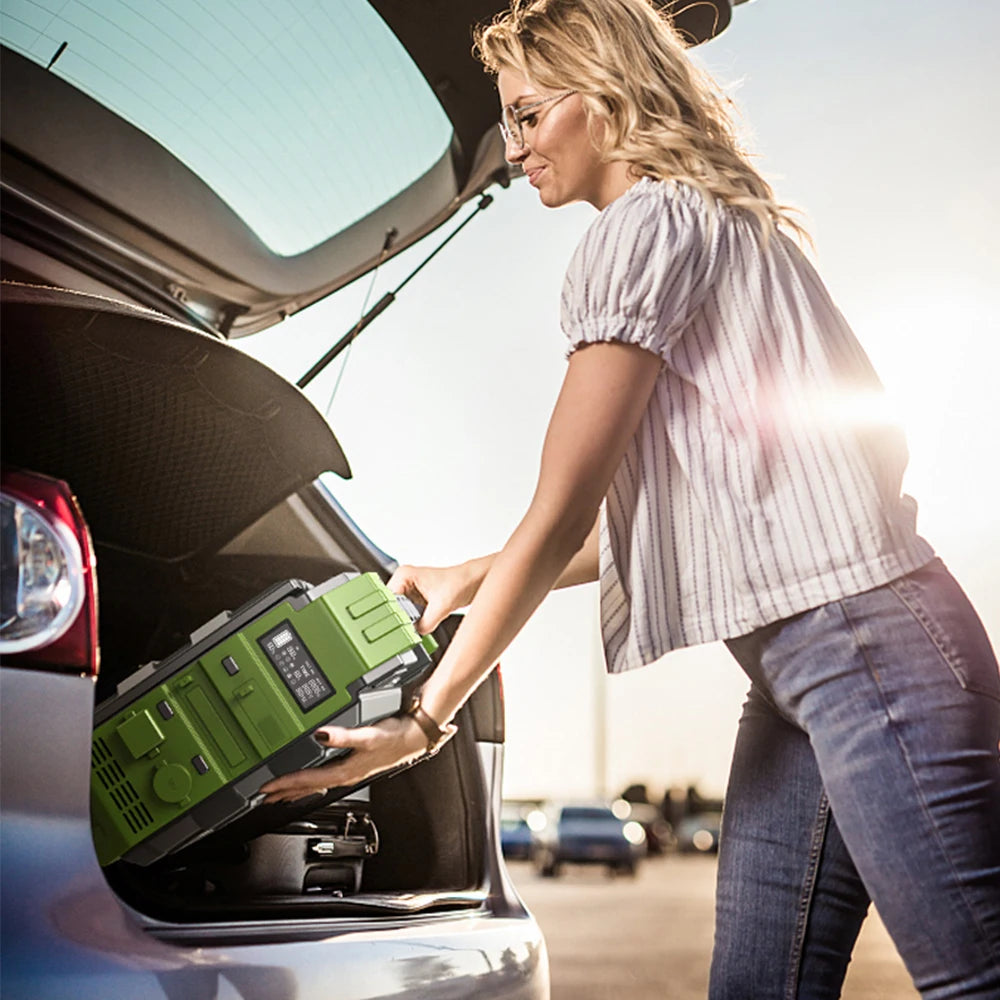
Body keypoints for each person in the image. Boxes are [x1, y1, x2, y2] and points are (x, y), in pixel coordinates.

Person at [261, 0, 1000, 995]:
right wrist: (471, 574)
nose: (513, 148)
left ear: (602, 99)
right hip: (804, 664)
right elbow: (697, 512)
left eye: (526, 115)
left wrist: (425, 719)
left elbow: (564, 508)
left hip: (863, 648)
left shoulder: (644, 226)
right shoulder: (709, 218)